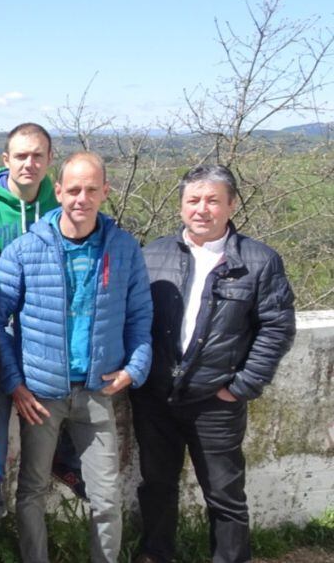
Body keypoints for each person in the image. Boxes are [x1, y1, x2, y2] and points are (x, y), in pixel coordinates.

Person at [0, 152, 153, 563]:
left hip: (98, 390)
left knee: (106, 496)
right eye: (74, 189)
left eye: (92, 189)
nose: (82, 198)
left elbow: (140, 316)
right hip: (41, 396)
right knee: (31, 491)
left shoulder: (123, 248)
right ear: (58, 191)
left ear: (105, 192)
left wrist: (134, 368)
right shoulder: (25, 250)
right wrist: (14, 383)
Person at [132, 165, 296, 563]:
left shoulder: (258, 261)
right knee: (156, 485)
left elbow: (277, 328)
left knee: (224, 495)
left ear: (231, 204)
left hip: (216, 401)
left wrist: (240, 387)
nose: (201, 209)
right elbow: (131, 319)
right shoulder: (152, 255)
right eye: (193, 200)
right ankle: (156, 554)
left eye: (212, 200)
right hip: (156, 398)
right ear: (181, 205)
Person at [0, 123, 85, 519]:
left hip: (46, 316)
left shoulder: (58, 202)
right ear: (6, 160)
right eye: (21, 155)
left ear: (49, 160)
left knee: (66, 369)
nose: (29, 163)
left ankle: (65, 458)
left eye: (37, 156)